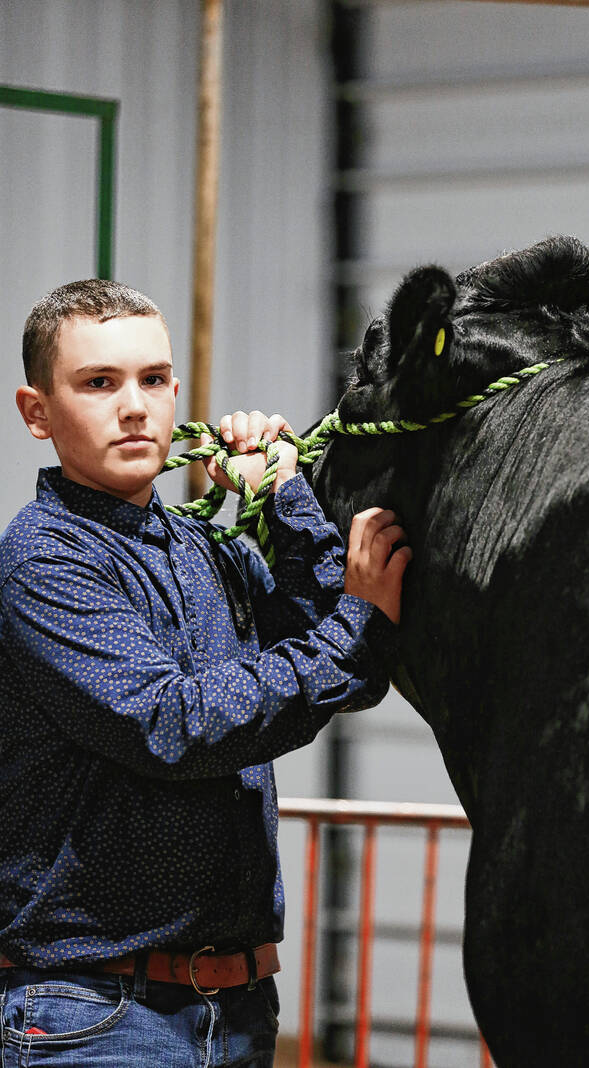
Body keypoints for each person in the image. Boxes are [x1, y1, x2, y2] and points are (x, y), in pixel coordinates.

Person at [0, 279, 411, 1067]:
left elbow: (349, 655)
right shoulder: (43, 563)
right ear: (36, 412)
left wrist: (283, 495)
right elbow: (176, 723)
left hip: (238, 1008)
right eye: (99, 383)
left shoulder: (203, 550)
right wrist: (357, 623)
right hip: (95, 1015)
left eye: (153, 380)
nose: (134, 406)